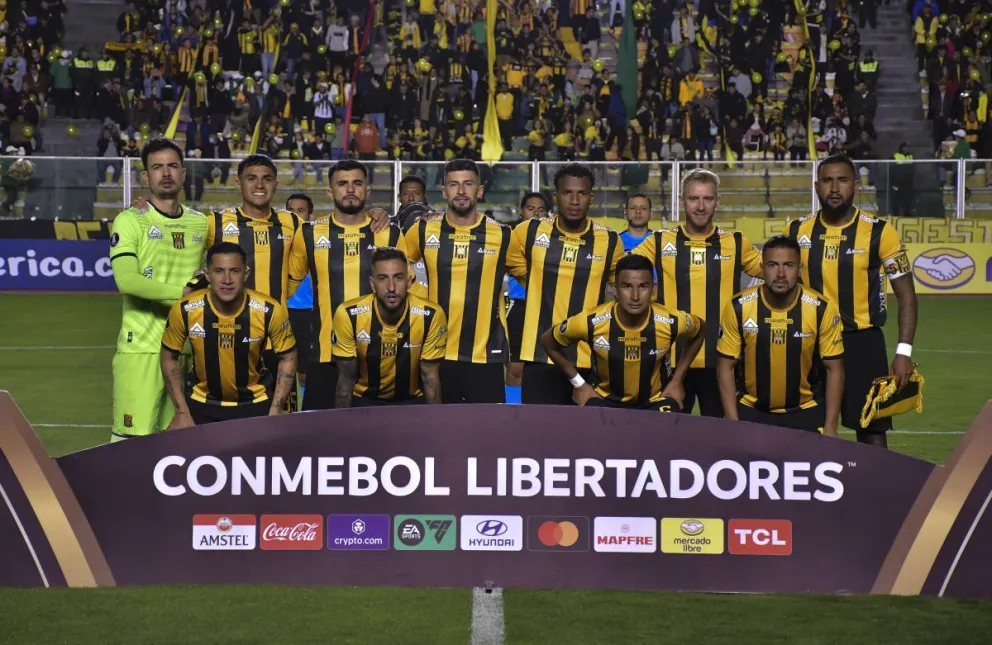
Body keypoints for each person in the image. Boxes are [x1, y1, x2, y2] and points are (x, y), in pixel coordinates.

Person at [786, 154, 917, 448]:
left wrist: (903, 352)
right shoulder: (796, 231)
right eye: (827, 181)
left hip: (863, 343)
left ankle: (877, 490)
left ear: (855, 186)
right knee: (806, 426)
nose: (834, 188)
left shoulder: (880, 232)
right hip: (810, 342)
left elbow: (906, 295)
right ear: (817, 186)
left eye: (842, 180)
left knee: (870, 428)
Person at [630, 169, 763, 417]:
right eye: (693, 199)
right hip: (670, 359)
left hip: (722, 359)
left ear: (717, 201)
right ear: (682, 201)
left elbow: (777, 274)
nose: (700, 206)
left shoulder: (735, 242)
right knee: (669, 438)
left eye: (707, 199)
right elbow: (621, 272)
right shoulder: (659, 242)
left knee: (721, 439)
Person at [108, 138, 208, 441]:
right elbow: (127, 281)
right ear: (145, 177)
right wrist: (184, 294)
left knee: (178, 445)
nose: (166, 173)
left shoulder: (201, 223)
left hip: (188, 351)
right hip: (143, 348)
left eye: (172, 166)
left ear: (184, 173)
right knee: (131, 443)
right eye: (157, 167)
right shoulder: (129, 221)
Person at [506, 164, 622, 405]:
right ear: (556, 196)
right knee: (538, 435)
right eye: (568, 193)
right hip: (539, 356)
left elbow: (624, 289)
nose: (575, 200)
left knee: (585, 437)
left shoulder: (610, 241)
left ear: (592, 197)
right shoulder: (529, 231)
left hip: (589, 356)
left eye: (582, 193)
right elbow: (507, 259)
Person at [300, 160, 409, 411]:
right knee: (320, 440)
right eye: (342, 184)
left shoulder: (389, 233)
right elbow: (289, 284)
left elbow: (404, 290)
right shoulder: (308, 233)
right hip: (326, 355)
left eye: (357, 183)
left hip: (379, 356)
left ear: (367, 191)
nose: (350, 189)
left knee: (378, 441)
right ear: (330, 191)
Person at [405, 158, 512, 403]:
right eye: (454, 185)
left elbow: (530, 273)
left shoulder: (503, 235)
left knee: (487, 433)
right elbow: (397, 266)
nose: (461, 191)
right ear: (444, 191)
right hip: (435, 352)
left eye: (468, 184)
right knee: (437, 433)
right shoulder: (423, 230)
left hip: (486, 354)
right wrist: (423, 294)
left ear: (480, 190)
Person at [541, 254, 705, 411]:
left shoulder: (672, 321)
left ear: (653, 290)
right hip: (604, 401)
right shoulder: (589, 322)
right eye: (627, 286)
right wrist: (578, 383)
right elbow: (548, 341)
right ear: (614, 289)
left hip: (656, 400)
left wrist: (677, 380)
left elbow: (701, 329)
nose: (635, 296)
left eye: (643, 286)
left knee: (671, 430)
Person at [716, 236, 845, 435]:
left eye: (789, 265)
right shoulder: (739, 307)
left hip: (806, 412)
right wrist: (734, 423)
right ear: (762, 268)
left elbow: (834, 369)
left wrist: (830, 426)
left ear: (800, 270)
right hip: (752, 412)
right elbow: (725, 366)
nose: (781, 274)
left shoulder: (822, 309)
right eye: (773, 265)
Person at [161, 243, 298, 427]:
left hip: (255, 405)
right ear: (207, 275)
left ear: (246, 274)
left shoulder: (268, 310)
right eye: (219, 271)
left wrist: (276, 408)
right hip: (201, 406)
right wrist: (182, 411)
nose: (227, 279)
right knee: (174, 449)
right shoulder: (185, 309)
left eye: (234, 271)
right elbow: (169, 356)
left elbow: (288, 356)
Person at [332, 247, 447, 407]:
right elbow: (346, 380)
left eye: (398, 278)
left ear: (408, 282)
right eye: (383, 278)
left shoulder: (431, 315)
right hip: (365, 401)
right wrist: (341, 428)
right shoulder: (348, 315)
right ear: (373, 284)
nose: (391, 287)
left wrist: (437, 425)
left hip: (411, 402)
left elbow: (430, 377)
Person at [205, 154, 308, 304]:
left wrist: (282, 293)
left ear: (275, 184)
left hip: (275, 322)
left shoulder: (292, 222)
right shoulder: (216, 222)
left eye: (267, 179)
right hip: (227, 323)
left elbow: (299, 268)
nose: (260, 185)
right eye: (251, 179)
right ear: (239, 184)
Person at [505, 192, 548, 404]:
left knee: (544, 367)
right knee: (515, 367)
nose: (536, 213)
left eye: (541, 209)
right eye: (531, 208)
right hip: (521, 307)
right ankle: (513, 412)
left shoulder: (555, 240)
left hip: (547, 308)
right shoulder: (513, 237)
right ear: (521, 211)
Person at [285, 193, 316, 408]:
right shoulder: (279, 240)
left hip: (309, 315)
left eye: (301, 210)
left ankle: (304, 413)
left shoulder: (317, 240)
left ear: (310, 214)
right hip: (283, 313)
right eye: (291, 210)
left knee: (305, 372)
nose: (295, 214)